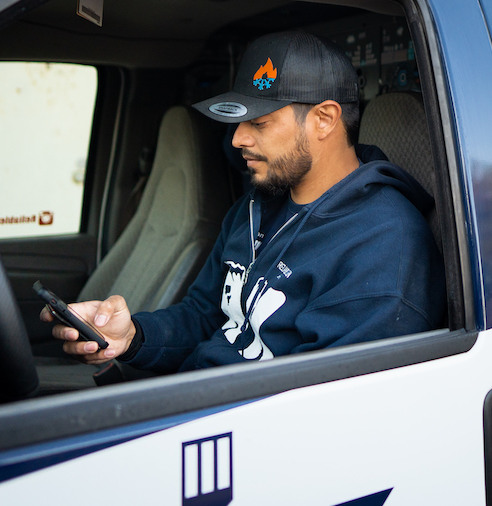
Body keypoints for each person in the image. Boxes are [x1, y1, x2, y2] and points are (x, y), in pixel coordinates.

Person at [42, 30, 444, 371]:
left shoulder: (384, 247)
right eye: (238, 121)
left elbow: (324, 406)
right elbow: (204, 316)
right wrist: (132, 337)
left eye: (260, 123)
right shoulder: (255, 207)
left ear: (324, 119)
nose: (237, 139)